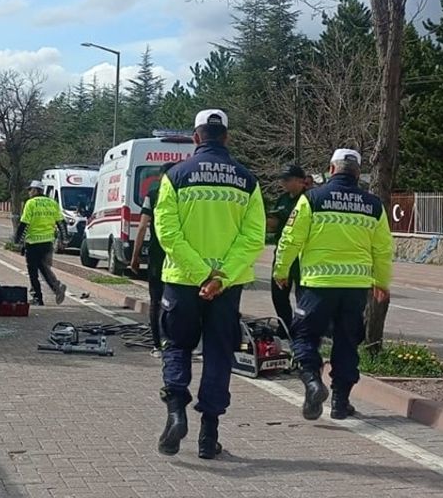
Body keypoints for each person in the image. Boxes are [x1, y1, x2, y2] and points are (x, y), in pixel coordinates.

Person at [153, 110, 265, 460]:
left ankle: (175, 413)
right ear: (226, 138)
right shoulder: (247, 181)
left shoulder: (175, 176)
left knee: (176, 347)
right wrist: (220, 276)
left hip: (183, 282)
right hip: (226, 288)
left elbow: (167, 233)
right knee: (218, 354)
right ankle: (208, 437)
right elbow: (253, 237)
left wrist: (200, 272)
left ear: (196, 137)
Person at [275, 148, 393, 422]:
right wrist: (382, 282)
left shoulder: (311, 198)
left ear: (331, 169)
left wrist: (281, 271)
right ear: (357, 173)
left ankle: (313, 382)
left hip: (317, 285)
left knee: (305, 336)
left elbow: (290, 238)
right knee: (347, 341)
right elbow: (384, 249)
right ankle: (340, 402)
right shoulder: (373, 205)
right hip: (355, 288)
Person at [130, 160, 178, 357]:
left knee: (156, 301)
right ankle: (177, 342)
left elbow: (142, 227)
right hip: (178, 254)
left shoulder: (153, 195)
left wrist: (135, 256)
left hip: (158, 254)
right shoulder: (184, 194)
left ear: (159, 177)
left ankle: (157, 345)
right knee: (178, 300)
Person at [268, 164, 310, 337]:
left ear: (300, 181)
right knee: (278, 293)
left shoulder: (308, 199)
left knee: (303, 295)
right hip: (282, 252)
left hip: (301, 256)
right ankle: (284, 325)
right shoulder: (283, 199)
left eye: (287, 179)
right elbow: (274, 221)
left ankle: (303, 328)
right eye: (282, 179)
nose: (283, 183)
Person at [15, 180, 68, 306]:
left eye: (30, 189)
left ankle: (38, 298)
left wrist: (18, 240)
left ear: (36, 190)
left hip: (33, 242)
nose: (29, 192)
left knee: (33, 272)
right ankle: (56, 287)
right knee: (44, 268)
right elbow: (61, 222)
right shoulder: (52, 203)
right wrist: (64, 238)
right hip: (48, 242)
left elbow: (24, 224)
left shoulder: (31, 203)